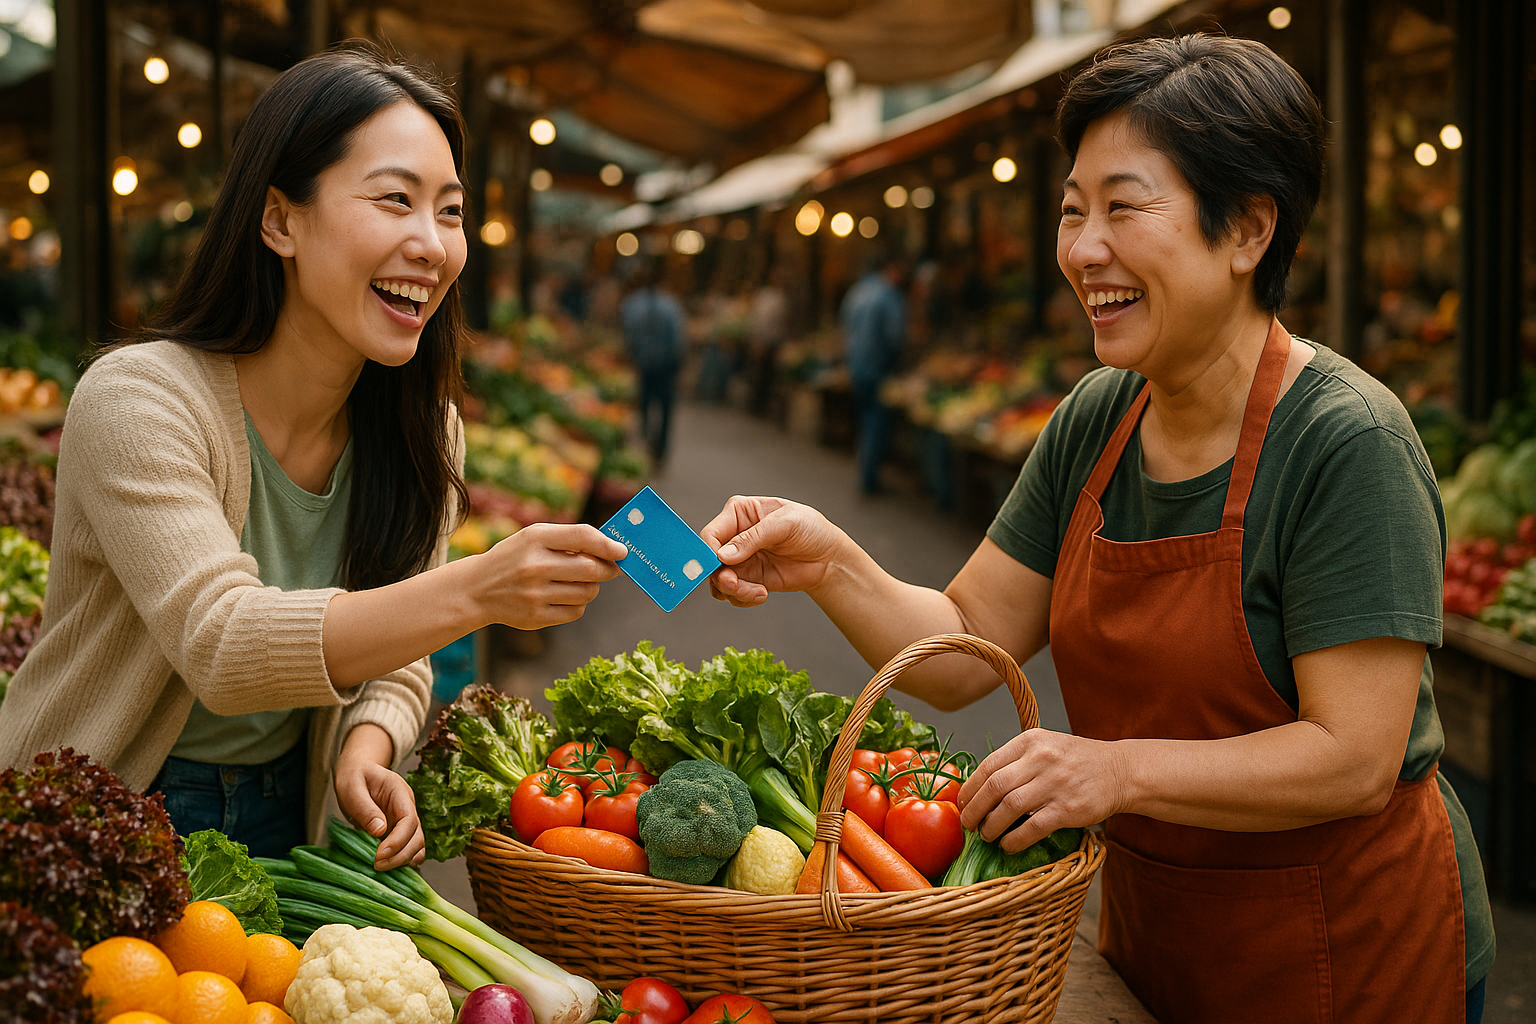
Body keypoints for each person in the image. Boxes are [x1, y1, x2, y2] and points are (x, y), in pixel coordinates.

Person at [702, 34, 1492, 1024]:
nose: (1081, 248)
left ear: (1248, 228)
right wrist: (827, 558)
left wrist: (1116, 766)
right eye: (1073, 209)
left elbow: (1354, 754)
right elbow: (961, 646)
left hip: (1346, 945)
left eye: (1123, 206)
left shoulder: (1346, 438)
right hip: (1159, 926)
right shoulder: (1098, 418)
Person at [0, 45, 626, 867]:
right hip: (99, 807)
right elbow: (222, 645)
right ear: (279, 220)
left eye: (449, 210)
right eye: (395, 200)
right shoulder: (139, 399)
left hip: (290, 814)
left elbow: (400, 658)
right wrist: (481, 587)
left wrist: (368, 745)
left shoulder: (424, 431)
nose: (432, 245)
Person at [840, 256, 907, 494]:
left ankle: (865, 471)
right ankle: (870, 477)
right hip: (878, 369)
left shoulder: (858, 291)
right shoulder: (889, 297)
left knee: (866, 419)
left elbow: (845, 325)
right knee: (876, 423)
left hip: (857, 366)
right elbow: (894, 336)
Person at [620, 261, 687, 463]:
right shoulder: (671, 305)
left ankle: (646, 443)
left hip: (642, 364)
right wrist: (680, 366)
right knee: (665, 408)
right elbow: (678, 339)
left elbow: (627, 334)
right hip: (666, 366)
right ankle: (659, 449)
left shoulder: (631, 304)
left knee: (644, 404)